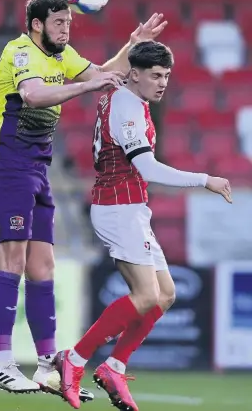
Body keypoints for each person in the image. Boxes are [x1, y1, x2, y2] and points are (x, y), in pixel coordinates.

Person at [0, 0, 167, 398]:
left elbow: (100, 72)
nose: (67, 29)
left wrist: (132, 45)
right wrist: (83, 87)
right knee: (11, 260)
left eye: (70, 22)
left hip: (37, 170)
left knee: (43, 266)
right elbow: (33, 95)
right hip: (5, 167)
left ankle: (47, 365)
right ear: (37, 24)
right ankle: (2, 364)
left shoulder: (63, 56)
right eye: (60, 22)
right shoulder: (21, 51)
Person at [54, 41, 232, 410]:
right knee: (147, 295)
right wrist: (205, 179)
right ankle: (74, 360)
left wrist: (134, 41)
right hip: (117, 208)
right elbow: (148, 168)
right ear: (135, 75)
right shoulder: (126, 107)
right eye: (155, 75)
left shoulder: (127, 96)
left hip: (132, 207)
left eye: (166, 75)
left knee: (165, 294)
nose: (163, 82)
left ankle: (115, 367)